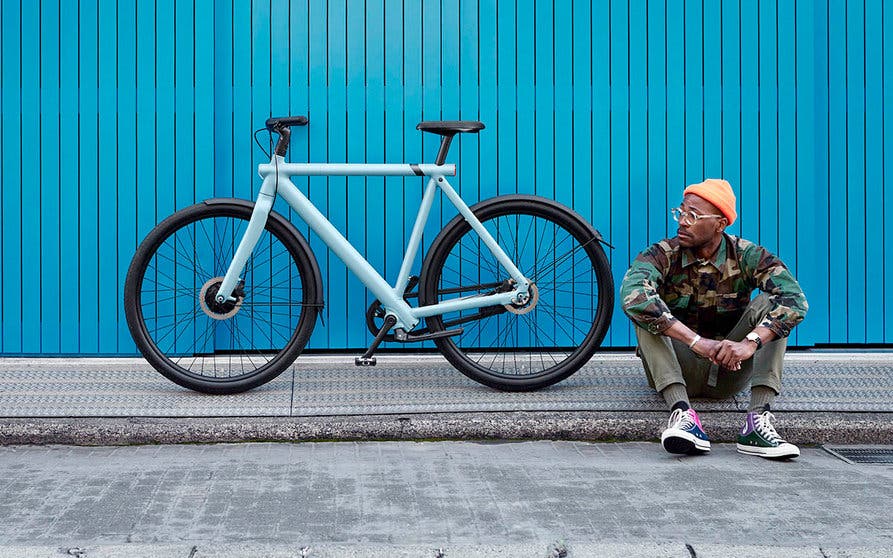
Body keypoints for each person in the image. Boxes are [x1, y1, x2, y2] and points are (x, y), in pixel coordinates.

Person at [620, 179, 808, 459]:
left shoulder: (747, 255)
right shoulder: (662, 254)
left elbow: (795, 299)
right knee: (644, 308)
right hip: (676, 367)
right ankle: (683, 415)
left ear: (720, 224)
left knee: (773, 305)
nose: (683, 221)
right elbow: (632, 294)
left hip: (729, 371)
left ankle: (757, 422)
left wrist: (750, 343)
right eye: (680, 212)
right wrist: (696, 342)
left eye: (693, 216)